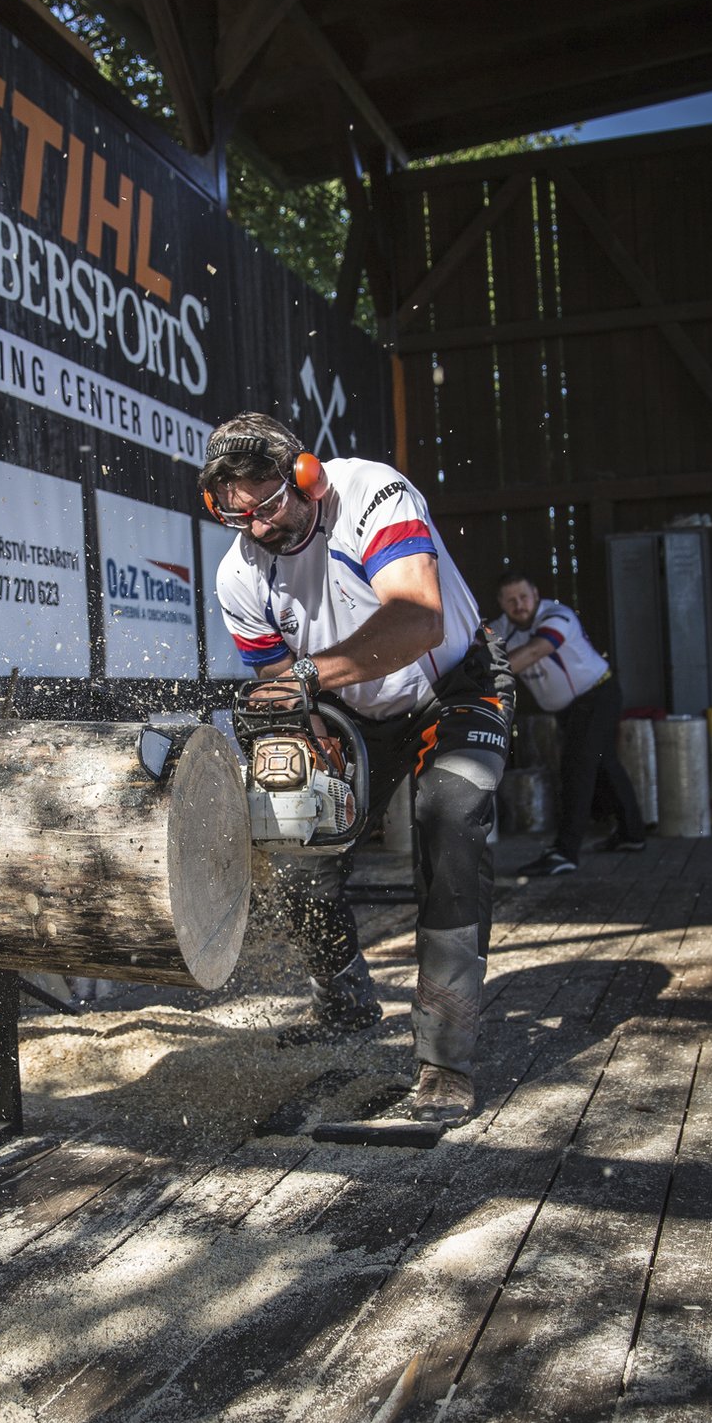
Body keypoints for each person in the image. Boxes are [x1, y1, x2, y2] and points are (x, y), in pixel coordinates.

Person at [202, 412, 513, 1123]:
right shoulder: (238, 575)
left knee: (452, 818)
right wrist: (309, 745)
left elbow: (418, 619)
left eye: (269, 503)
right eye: (236, 513)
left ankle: (445, 1060)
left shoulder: (374, 494)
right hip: (352, 709)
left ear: (305, 475)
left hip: (453, 685)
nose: (257, 526)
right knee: (298, 840)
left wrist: (311, 676)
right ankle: (342, 1004)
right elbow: (289, 694)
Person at [492, 573, 646, 876]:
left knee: (577, 768)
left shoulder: (558, 615)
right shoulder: (501, 628)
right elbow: (477, 647)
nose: (519, 605)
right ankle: (633, 835)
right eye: (511, 601)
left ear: (535, 594)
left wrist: (484, 676)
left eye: (523, 597)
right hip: (569, 708)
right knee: (604, 765)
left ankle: (565, 852)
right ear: (502, 603)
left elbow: (537, 650)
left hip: (597, 695)